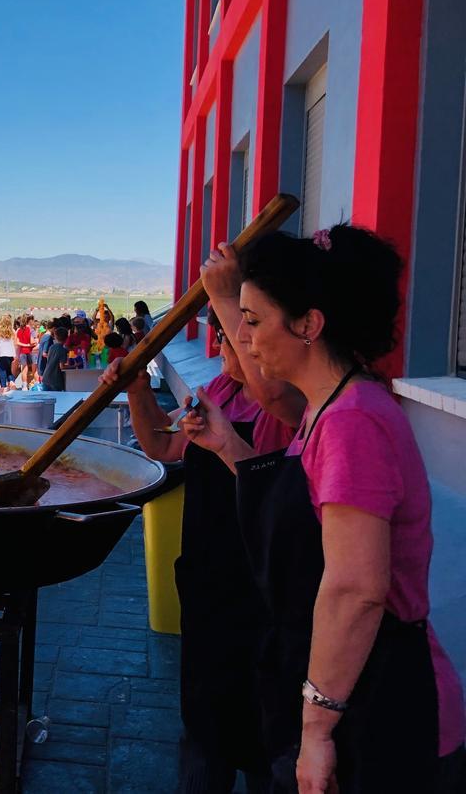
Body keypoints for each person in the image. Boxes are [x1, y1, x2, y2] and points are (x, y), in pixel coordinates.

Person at [184, 228, 465, 793]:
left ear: (309, 325)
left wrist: (316, 731)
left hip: (381, 710)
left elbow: (356, 589)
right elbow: (298, 509)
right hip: (347, 688)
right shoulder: (326, 408)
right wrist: (227, 445)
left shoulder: (352, 421)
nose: (241, 337)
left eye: (253, 320)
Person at [104, 309, 297, 793]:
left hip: (264, 592)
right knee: (204, 717)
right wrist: (138, 390)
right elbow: (161, 445)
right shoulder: (220, 392)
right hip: (210, 583)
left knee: (264, 726)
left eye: (230, 337)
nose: (220, 347)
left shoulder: (288, 408)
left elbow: (276, 493)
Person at [39, 325, 70, 392]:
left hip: (46, 377)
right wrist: (74, 366)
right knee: (57, 397)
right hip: (55, 380)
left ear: (55, 336)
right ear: (66, 338)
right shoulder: (63, 350)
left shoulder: (51, 347)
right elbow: (62, 366)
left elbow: (49, 359)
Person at [0, 314, 17, 392]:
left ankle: (3, 387)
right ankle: (11, 381)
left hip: (0, 354)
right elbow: (15, 343)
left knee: (1, 370)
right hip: (10, 354)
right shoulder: (13, 331)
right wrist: (15, 354)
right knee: (9, 370)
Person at [15, 315, 36, 389]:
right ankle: (33, 384)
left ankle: (24, 385)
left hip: (22, 351)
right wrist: (32, 343)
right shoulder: (30, 329)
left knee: (24, 369)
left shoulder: (19, 330)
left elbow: (17, 342)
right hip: (30, 351)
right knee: (33, 369)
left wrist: (24, 345)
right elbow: (32, 342)